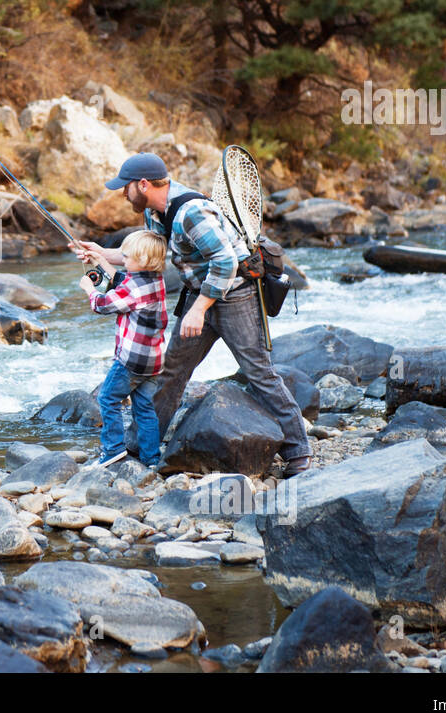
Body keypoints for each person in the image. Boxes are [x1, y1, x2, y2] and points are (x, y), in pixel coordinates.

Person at [70, 152, 313, 476]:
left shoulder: (191, 213)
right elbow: (142, 255)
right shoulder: (156, 214)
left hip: (235, 295)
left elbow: (225, 263)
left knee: (258, 373)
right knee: (171, 371)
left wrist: (199, 310)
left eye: (125, 188)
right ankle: (139, 448)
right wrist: (101, 253)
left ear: (143, 184)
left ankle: (299, 452)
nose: (123, 194)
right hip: (200, 294)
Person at [78, 229, 170, 468]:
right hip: (154, 362)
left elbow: (103, 304)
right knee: (144, 408)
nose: (123, 259)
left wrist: (89, 289)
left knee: (108, 399)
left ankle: (113, 450)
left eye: (127, 257)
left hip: (131, 362)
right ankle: (151, 458)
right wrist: (99, 261)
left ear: (144, 261)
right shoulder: (154, 280)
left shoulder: (134, 288)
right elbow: (122, 279)